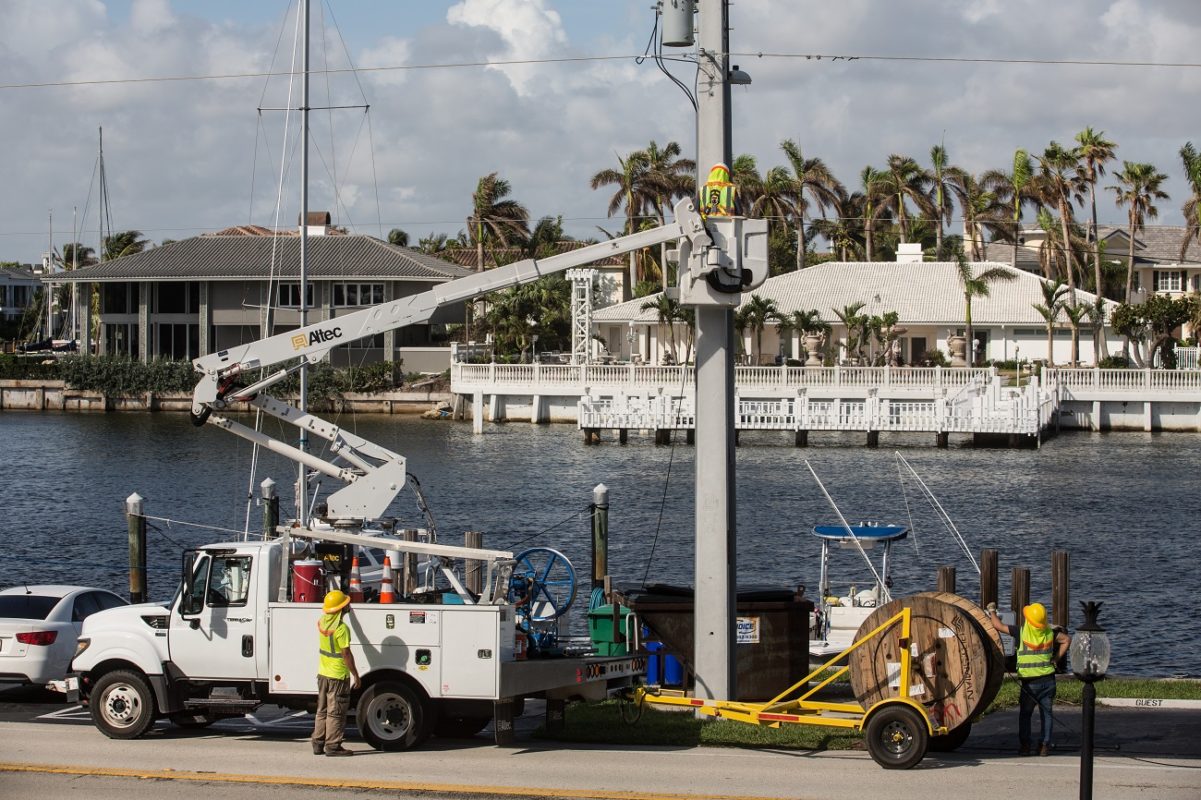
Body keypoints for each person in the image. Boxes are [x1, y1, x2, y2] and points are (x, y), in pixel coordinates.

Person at [987, 601, 1070, 756]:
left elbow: (998, 625)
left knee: (1025, 715)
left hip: (1029, 684)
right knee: (1047, 714)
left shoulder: (1021, 632)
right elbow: (1067, 640)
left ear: (1029, 620)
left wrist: (991, 611)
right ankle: (1044, 746)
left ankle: (1025, 746)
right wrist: (1056, 658)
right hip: (1048, 681)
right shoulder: (1049, 633)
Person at [311, 589, 359, 757]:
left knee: (321, 710)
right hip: (338, 675)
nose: (348, 606)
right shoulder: (341, 629)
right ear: (340, 609)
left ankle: (317, 743)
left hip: (322, 673)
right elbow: (346, 654)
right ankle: (332, 746)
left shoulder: (322, 622)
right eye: (345, 604)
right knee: (335, 712)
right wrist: (355, 674)